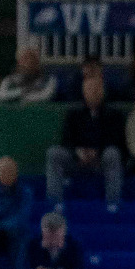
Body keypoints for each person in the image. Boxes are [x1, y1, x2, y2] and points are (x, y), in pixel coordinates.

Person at [46, 73, 125, 207]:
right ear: (83, 91)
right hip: (76, 160)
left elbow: (117, 141)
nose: (93, 92)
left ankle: (113, 203)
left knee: (112, 153)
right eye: (90, 89)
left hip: (101, 160)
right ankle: (55, 203)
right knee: (54, 153)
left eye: (97, 89)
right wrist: (78, 153)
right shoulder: (74, 114)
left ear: (103, 90)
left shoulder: (114, 115)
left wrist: (97, 153)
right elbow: (66, 140)